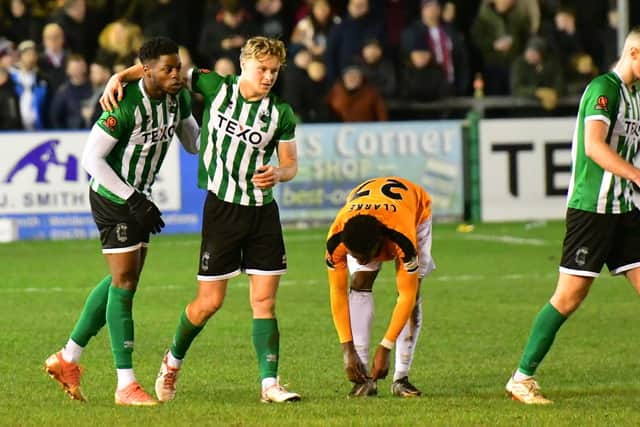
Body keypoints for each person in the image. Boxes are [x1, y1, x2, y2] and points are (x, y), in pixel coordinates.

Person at [100, 35, 301, 404]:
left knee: (264, 301)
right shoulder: (213, 86)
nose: (269, 77)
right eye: (262, 69)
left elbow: (290, 164)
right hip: (223, 210)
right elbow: (164, 73)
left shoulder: (280, 113)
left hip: (263, 213)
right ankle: (172, 362)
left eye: (274, 71)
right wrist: (120, 76)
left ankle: (269, 383)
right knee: (209, 303)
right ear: (244, 66)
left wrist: (279, 173)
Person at [43, 36, 200, 406]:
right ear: (147, 71)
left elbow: (193, 143)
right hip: (115, 197)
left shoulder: (177, 98)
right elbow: (91, 160)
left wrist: (212, 129)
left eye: (178, 67)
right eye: (168, 69)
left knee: (122, 278)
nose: (176, 74)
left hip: (138, 198)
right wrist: (133, 200)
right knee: (125, 282)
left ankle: (68, 358)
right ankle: (125, 384)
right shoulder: (123, 103)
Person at [505, 28, 640, 405]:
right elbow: (594, 147)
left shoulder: (636, 95)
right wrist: (636, 174)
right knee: (569, 297)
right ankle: (521, 377)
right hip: (591, 210)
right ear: (633, 52)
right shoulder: (605, 89)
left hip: (625, 208)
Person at [325, 176, 435, 397]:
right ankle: (363, 378)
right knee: (359, 282)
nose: (361, 261)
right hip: (364, 209)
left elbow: (406, 296)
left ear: (381, 245)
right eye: (356, 257)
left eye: (367, 256)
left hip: (413, 213)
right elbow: (337, 293)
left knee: (413, 289)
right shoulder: (337, 239)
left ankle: (401, 378)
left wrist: (385, 347)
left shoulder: (401, 238)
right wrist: (347, 349)